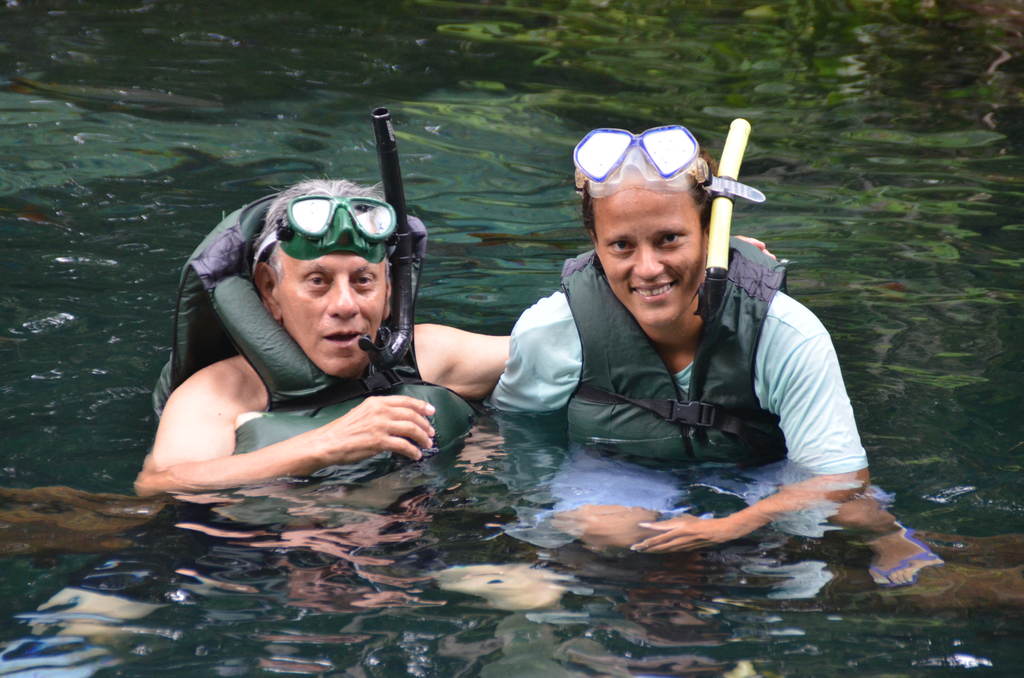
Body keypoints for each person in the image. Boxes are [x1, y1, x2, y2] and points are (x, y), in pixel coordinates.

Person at [487, 124, 943, 585]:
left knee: (852, 520)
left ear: (709, 233)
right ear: (595, 245)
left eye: (669, 239)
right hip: (622, 471)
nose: (647, 269)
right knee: (612, 530)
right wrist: (536, 535)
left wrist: (733, 525)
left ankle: (905, 554)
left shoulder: (785, 331)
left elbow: (842, 479)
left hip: (760, 473)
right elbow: (523, 437)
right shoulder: (552, 330)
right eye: (622, 245)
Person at [135, 179, 507, 496]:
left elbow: (555, 345)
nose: (345, 305)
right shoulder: (221, 391)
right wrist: (326, 445)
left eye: (363, 281)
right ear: (269, 288)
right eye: (318, 281)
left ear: (390, 289)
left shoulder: (427, 355)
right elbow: (160, 482)